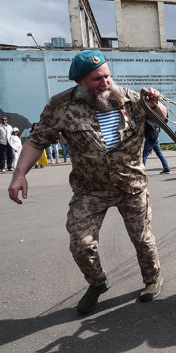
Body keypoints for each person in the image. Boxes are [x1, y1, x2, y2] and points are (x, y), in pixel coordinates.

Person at [8, 49, 165, 314]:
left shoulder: (130, 99)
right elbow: (37, 140)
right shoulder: (61, 106)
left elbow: (161, 118)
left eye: (106, 75)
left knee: (142, 238)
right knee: (80, 244)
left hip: (131, 184)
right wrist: (19, 174)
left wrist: (155, 104)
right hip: (90, 189)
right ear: (79, 81)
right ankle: (98, 282)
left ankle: (152, 279)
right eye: (96, 79)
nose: (105, 82)